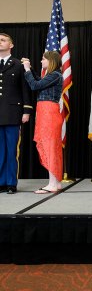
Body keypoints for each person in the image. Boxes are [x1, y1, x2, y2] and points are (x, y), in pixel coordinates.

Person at [22, 51, 63, 194]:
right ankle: (56, 182)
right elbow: (39, 80)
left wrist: (27, 70)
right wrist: (31, 69)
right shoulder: (52, 75)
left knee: (49, 145)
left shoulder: (55, 75)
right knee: (52, 145)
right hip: (46, 110)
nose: (41, 61)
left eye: (43, 59)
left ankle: (52, 183)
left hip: (48, 112)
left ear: (51, 61)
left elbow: (34, 85)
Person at [0, 33, 32, 194]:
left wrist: (26, 111)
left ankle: (11, 183)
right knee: (0, 151)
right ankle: (1, 182)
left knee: (12, 150)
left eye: (3, 40)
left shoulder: (18, 64)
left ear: (11, 45)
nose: (0, 42)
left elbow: (24, 90)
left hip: (13, 113)